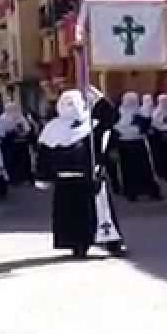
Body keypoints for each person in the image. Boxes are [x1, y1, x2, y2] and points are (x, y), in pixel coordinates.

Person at [35, 90, 126, 258]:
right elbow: (44, 154)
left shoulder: (91, 124)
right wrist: (43, 176)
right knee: (70, 216)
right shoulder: (52, 128)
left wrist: (95, 95)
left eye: (73, 103)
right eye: (66, 103)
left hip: (90, 178)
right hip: (65, 181)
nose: (70, 107)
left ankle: (112, 244)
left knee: (100, 212)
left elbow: (112, 117)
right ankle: (78, 245)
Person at [114, 92, 163, 202]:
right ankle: (132, 192)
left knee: (144, 169)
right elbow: (115, 128)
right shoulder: (118, 113)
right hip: (126, 144)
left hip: (137, 143)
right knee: (129, 170)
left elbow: (144, 127)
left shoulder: (140, 112)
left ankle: (149, 191)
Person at [150, 93, 167, 182]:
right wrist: (163, 125)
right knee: (163, 156)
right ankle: (165, 173)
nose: (166, 102)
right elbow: (155, 123)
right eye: (164, 101)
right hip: (160, 135)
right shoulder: (156, 112)